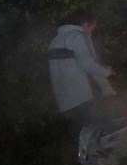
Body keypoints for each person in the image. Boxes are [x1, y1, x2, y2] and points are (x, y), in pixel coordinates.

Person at [48, 11, 117, 141]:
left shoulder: (55, 40)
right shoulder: (78, 36)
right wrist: (108, 73)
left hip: (65, 103)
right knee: (101, 134)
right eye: (91, 29)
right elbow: (89, 64)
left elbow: (73, 65)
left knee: (81, 141)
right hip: (84, 98)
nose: (90, 34)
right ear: (85, 24)